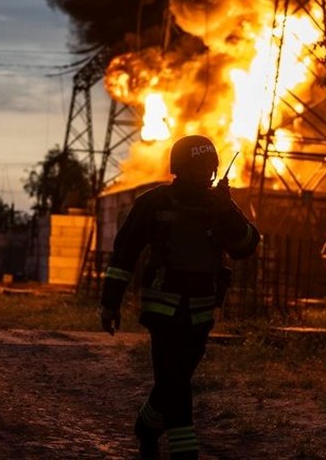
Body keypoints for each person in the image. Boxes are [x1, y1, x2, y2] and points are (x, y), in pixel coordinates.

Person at [99, 135, 261, 459]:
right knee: (176, 382)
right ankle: (184, 453)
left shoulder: (218, 205)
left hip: (200, 315)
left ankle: (146, 428)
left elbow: (246, 247)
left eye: (209, 167)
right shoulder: (154, 203)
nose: (205, 173)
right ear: (181, 168)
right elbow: (125, 253)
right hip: (163, 311)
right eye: (198, 166)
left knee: (173, 381)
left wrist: (228, 212)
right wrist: (110, 301)